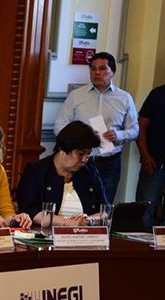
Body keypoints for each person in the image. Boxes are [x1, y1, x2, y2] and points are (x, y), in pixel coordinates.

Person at [53, 52, 139, 203]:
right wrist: (76, 141)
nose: (97, 72)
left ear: (112, 72)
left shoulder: (124, 98)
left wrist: (118, 135)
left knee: (104, 205)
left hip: (109, 162)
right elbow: (59, 126)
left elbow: (134, 130)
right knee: (74, 202)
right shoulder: (76, 96)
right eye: (93, 69)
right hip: (78, 160)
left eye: (102, 68)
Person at [17, 121, 107, 226]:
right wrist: (66, 222)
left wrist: (90, 220)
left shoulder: (89, 173)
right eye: (80, 154)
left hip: (85, 233)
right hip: (47, 232)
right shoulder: (36, 172)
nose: (84, 160)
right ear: (63, 149)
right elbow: (31, 212)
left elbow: (105, 211)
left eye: (88, 154)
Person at [135, 84, 165, 228]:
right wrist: (145, 155)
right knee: (144, 210)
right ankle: (141, 241)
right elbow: (140, 125)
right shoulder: (158, 94)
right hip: (155, 163)